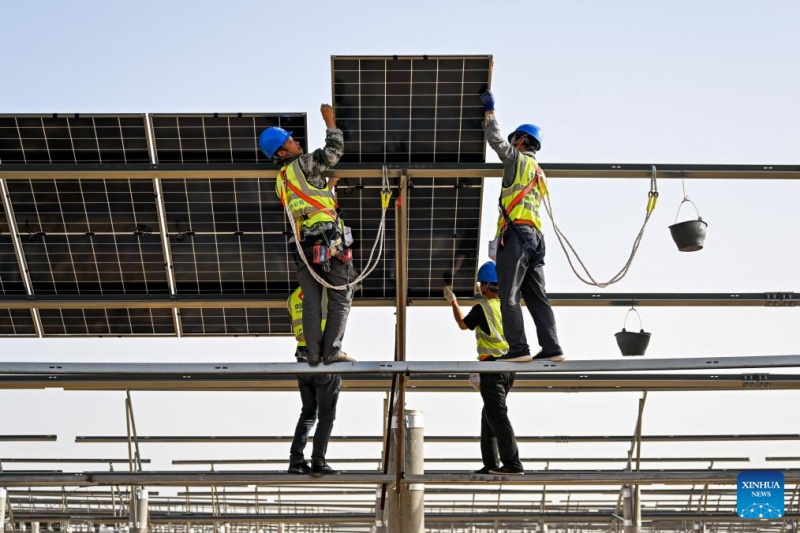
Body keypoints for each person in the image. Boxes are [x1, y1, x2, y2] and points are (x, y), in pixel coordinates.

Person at [259, 103, 355, 365]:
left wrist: (328, 186)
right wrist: (330, 121)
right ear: (281, 151)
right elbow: (333, 152)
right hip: (327, 239)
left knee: (311, 300)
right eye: (291, 141)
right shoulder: (304, 163)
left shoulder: (281, 180)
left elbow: (309, 201)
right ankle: (332, 351)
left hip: (302, 245)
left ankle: (312, 353)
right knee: (341, 294)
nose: (297, 142)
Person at [478, 88, 565, 363]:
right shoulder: (539, 172)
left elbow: (496, 141)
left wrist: (490, 112)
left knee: (508, 295)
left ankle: (518, 349)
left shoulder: (518, 160)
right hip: (536, 239)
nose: (512, 141)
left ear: (523, 140)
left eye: (515, 138)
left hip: (516, 236)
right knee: (538, 298)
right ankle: (552, 348)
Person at [443, 261, 525, 475]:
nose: (479, 286)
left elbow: (463, 324)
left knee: (497, 415)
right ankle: (490, 463)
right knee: (489, 414)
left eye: (481, 283)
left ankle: (512, 464)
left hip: (492, 368)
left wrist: (453, 301)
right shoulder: (509, 306)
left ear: (487, 285)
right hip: (509, 368)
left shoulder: (483, 308)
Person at [286, 286, 341, 475]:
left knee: (308, 414)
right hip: (323, 358)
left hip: (302, 359)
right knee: (326, 415)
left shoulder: (293, 297)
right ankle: (318, 461)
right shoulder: (325, 291)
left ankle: (296, 461)